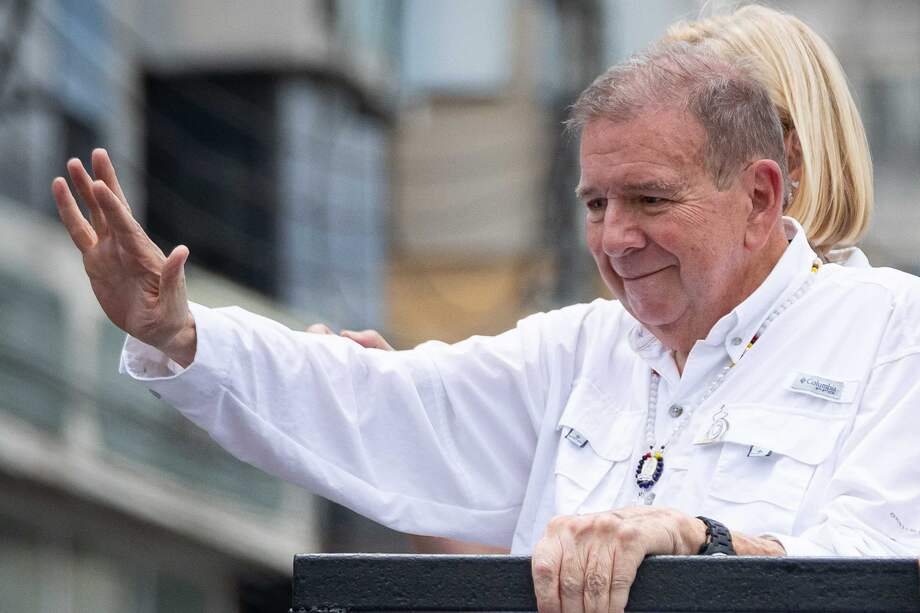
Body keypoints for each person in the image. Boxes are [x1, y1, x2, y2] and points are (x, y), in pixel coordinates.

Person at [53, 43, 920, 613]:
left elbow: (881, 562)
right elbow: (375, 402)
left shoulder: (891, 330)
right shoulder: (577, 348)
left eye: (651, 199)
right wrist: (180, 331)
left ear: (762, 196)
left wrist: (698, 538)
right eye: (595, 204)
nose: (616, 236)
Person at [312, 4, 879, 556]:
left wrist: (709, 544)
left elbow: (874, 564)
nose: (620, 236)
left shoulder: (885, 340)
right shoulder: (611, 346)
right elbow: (513, 576)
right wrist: (412, 439)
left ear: (779, 170)